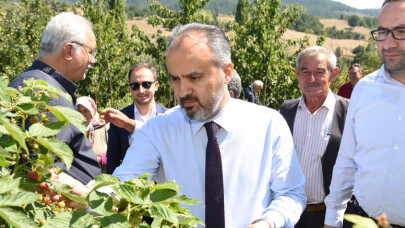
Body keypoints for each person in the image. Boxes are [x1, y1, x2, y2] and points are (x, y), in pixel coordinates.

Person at [113, 22, 306, 228]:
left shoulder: (268, 124)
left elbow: (291, 193)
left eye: (195, 77)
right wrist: (86, 196)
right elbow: (123, 183)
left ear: (227, 73)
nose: (182, 91)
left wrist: (268, 222)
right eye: (175, 79)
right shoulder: (158, 131)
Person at [324, 1, 405, 227]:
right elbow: (347, 159)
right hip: (361, 220)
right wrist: (332, 218)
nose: (388, 43)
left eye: (401, 31)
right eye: (382, 32)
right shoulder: (364, 89)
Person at [9, 12, 101, 184]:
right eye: (91, 52)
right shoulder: (46, 95)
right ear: (68, 51)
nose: (93, 60)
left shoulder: (35, 82)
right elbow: (45, 175)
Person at [279, 46, 349, 228]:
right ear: (297, 74)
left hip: (332, 218)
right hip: (291, 214)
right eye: (305, 72)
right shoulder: (286, 111)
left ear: (333, 75)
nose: (311, 79)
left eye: (319, 72)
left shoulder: (348, 112)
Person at [102, 63, 168, 174]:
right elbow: (113, 160)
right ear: (130, 88)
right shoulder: (119, 119)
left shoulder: (169, 117)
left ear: (156, 85)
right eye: (135, 86)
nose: (141, 90)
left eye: (146, 84)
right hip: (131, 187)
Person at [76, 96, 109, 172]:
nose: (83, 115)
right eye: (80, 111)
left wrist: (99, 160)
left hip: (104, 176)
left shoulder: (105, 127)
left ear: (93, 111)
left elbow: (115, 153)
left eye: (86, 111)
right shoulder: (75, 130)